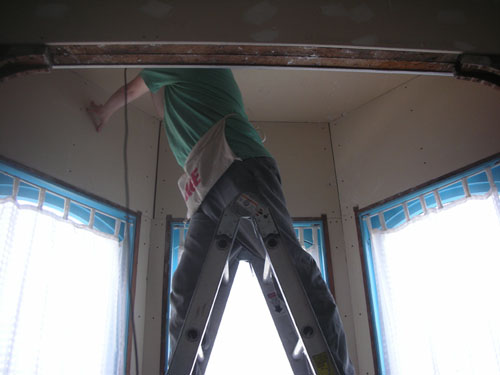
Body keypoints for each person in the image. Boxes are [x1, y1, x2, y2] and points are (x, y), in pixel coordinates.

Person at [88, 68, 354, 375]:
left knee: (292, 271)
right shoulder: (174, 79)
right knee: (187, 287)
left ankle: (335, 368)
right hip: (205, 187)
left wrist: (104, 111)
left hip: (237, 163)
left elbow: (133, 89)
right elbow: (160, 104)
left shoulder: (188, 55)